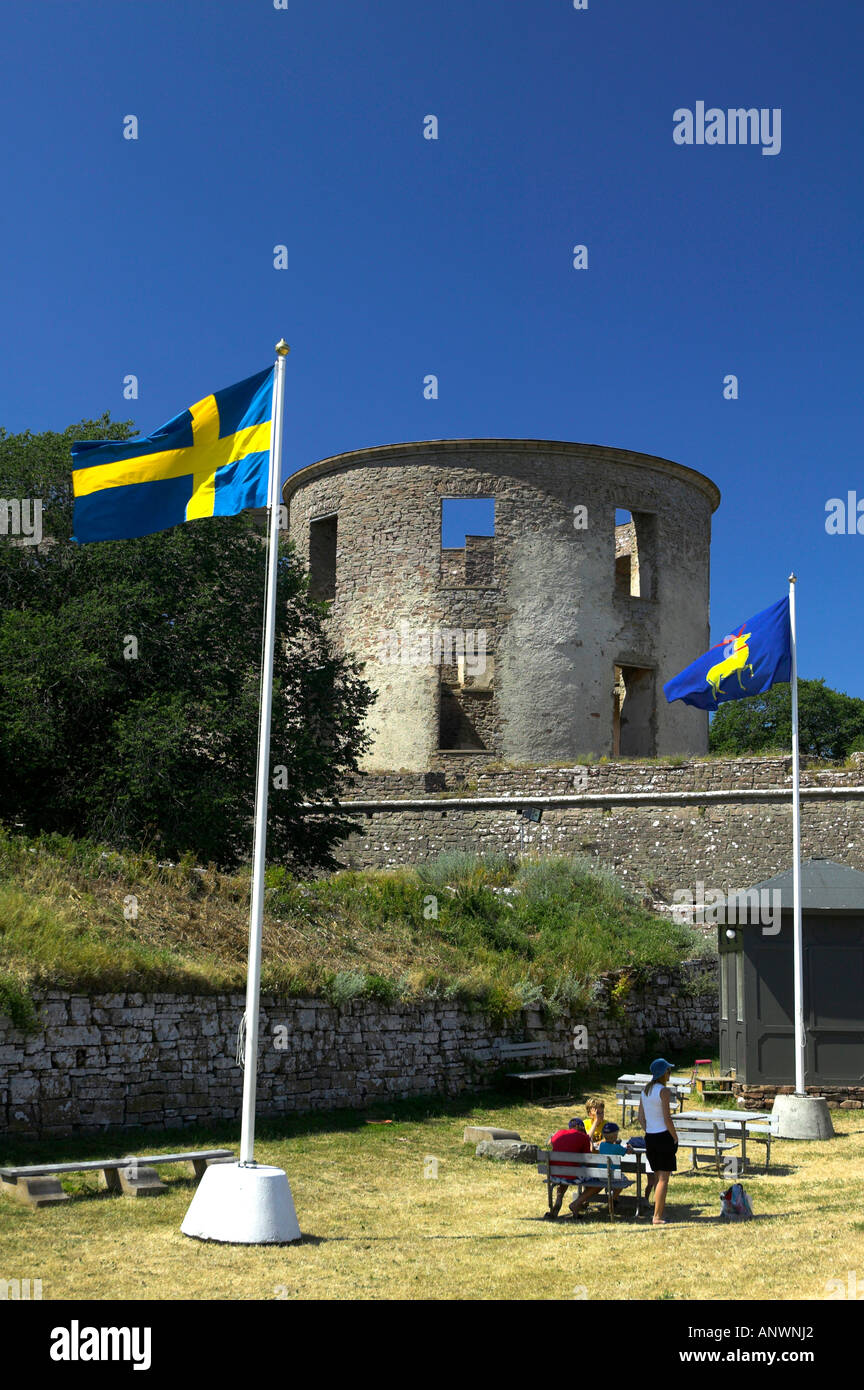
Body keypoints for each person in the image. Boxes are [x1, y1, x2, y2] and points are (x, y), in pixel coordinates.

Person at [637, 1057, 678, 1226]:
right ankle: (657, 1216)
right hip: (663, 1136)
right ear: (663, 1073)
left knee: (657, 1176)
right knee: (663, 1179)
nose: (670, 1073)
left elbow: (640, 1117)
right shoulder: (664, 1091)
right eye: (669, 1070)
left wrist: (649, 1129)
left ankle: (659, 1211)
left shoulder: (645, 1091)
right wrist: (674, 1136)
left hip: (651, 1137)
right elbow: (667, 1118)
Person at [569, 1120, 634, 1218]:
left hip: (600, 1176)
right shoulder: (617, 1147)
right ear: (616, 1135)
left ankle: (581, 1202)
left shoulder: (602, 1145)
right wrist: (630, 1148)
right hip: (613, 1177)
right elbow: (628, 1151)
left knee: (603, 1183)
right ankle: (613, 1199)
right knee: (624, 1181)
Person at [544, 1118, 590, 1220]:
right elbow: (588, 1159)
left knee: (567, 1170)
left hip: (554, 1175)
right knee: (591, 1175)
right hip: (573, 1176)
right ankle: (579, 1203)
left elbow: (553, 1145)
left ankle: (559, 1200)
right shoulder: (584, 1137)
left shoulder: (559, 1133)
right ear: (582, 1128)